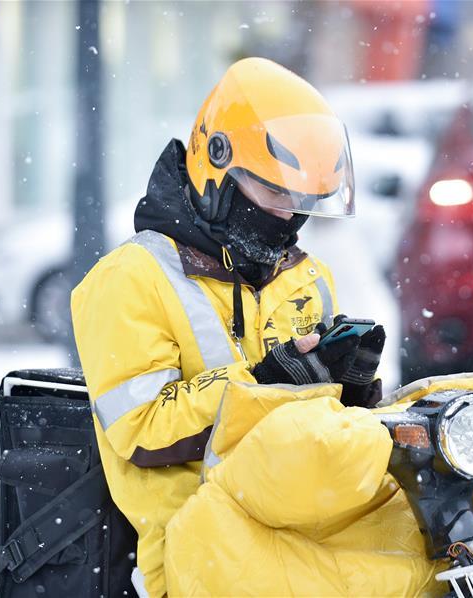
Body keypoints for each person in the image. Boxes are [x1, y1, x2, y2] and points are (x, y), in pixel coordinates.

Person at [71, 57, 385, 597]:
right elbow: (142, 432)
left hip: (313, 534)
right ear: (216, 169)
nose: (289, 217)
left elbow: (320, 431)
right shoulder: (129, 279)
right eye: (275, 192)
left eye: (305, 201)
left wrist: (349, 390)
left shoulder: (306, 275)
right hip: (202, 555)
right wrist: (267, 384)